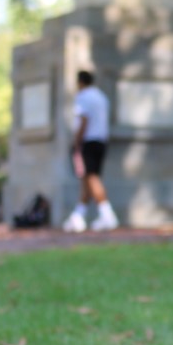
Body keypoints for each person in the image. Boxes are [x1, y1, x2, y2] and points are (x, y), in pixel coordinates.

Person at [63, 70, 119, 232]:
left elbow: (83, 120)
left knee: (91, 177)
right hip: (101, 140)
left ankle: (107, 213)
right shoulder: (102, 97)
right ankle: (78, 215)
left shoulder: (83, 97)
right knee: (87, 178)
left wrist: (76, 141)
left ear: (80, 82)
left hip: (88, 141)